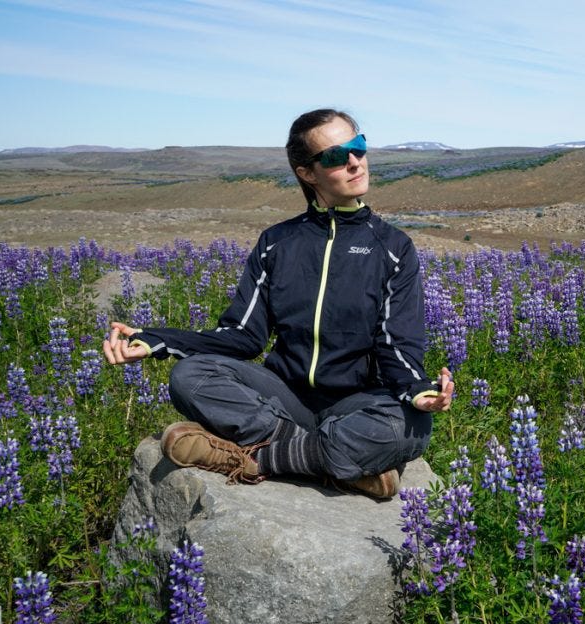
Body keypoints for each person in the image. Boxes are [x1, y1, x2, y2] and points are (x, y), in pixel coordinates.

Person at [103, 108, 454, 499]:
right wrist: (157, 340)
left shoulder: (393, 248)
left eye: (358, 147)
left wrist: (418, 389)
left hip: (356, 404)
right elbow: (242, 336)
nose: (356, 162)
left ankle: (254, 459)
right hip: (282, 400)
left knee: (411, 425)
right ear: (307, 173)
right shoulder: (277, 242)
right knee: (190, 376)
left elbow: (397, 345)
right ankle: (336, 464)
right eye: (338, 156)